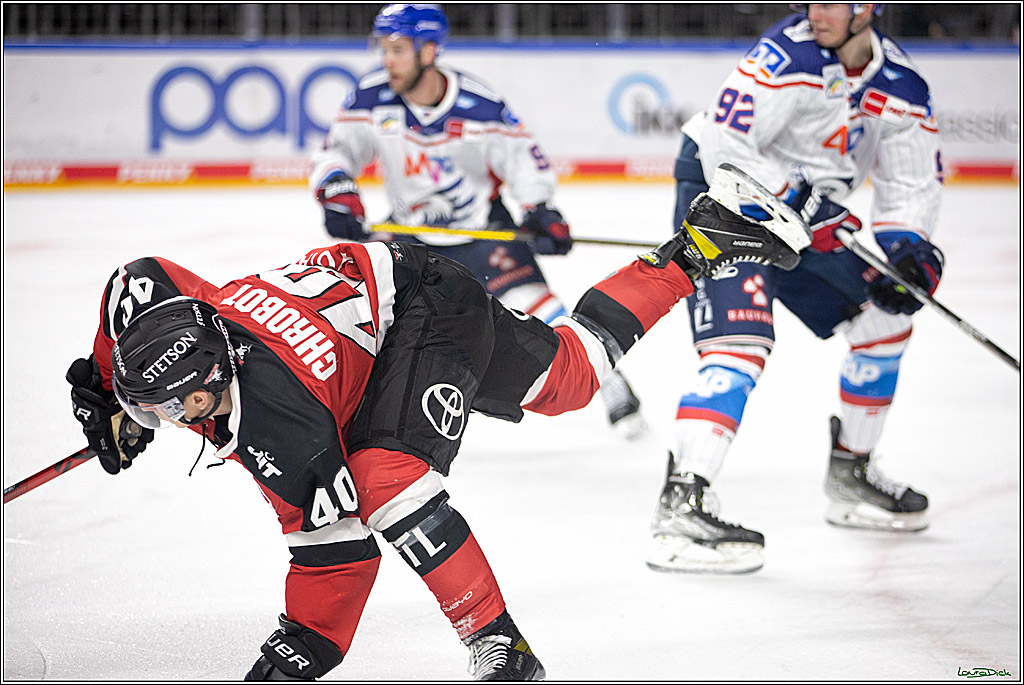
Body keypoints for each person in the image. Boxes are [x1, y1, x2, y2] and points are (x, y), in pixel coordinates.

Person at [65, 167, 810, 680]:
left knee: (384, 478)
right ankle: (701, 245)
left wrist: (303, 645)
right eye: (152, 409)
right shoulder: (194, 317)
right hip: (377, 304)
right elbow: (139, 277)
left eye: (177, 408)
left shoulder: (283, 428)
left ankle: (499, 641)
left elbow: (340, 556)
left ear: (218, 378)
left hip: (420, 313)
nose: (166, 420)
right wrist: (107, 384)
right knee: (572, 377)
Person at [647, 2, 946, 575]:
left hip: (806, 219)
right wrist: (798, 197)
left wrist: (910, 249)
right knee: (740, 345)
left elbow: (911, 180)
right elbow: (723, 144)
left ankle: (851, 474)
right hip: (726, 200)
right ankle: (682, 504)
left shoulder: (901, 83)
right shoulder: (785, 54)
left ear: (869, 9)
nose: (817, 11)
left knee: (885, 323)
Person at [309, 3, 647, 440]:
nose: (387, 60)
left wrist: (539, 210)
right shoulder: (371, 98)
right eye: (384, 49)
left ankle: (612, 386)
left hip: (482, 232)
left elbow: (524, 161)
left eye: (397, 49)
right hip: (410, 236)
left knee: (543, 314)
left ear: (428, 50)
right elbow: (335, 152)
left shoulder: (479, 106)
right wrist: (338, 192)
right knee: (377, 326)